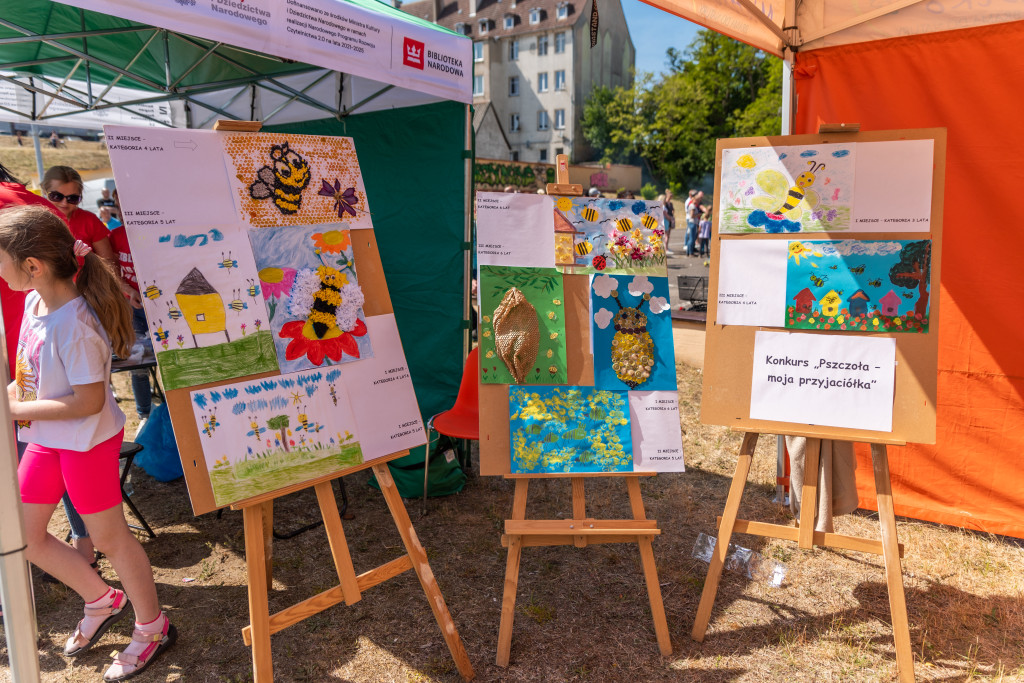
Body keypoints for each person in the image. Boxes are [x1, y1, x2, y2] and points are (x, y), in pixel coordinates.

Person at [0, 205, 176, 681]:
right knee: (23, 535)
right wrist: (9, 397)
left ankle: (153, 626)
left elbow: (90, 402)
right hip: (47, 439)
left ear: (32, 265)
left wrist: (11, 411)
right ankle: (102, 599)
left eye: (0, 261)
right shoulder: (35, 303)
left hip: (85, 442)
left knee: (110, 539)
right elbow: (30, 380)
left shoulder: (74, 324)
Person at [108, 189, 151, 424]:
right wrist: (129, 292)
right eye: (118, 205)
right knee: (139, 364)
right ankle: (145, 414)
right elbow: (113, 271)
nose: (123, 212)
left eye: (128, 205)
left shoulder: (154, 232)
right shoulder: (114, 236)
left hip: (159, 307)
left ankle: (171, 410)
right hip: (132, 309)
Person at [662, 189, 675, 256]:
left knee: (668, 234)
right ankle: (665, 248)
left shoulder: (670, 203)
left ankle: (666, 247)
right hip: (667, 219)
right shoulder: (665, 204)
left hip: (669, 219)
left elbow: (672, 210)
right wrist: (670, 218)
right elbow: (665, 213)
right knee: (666, 235)